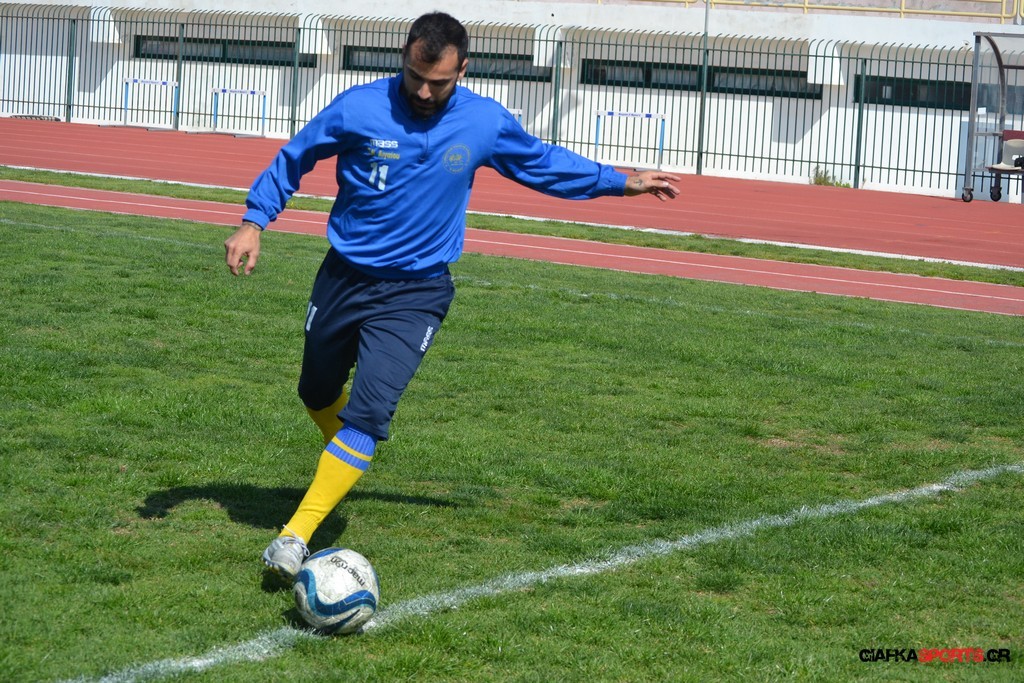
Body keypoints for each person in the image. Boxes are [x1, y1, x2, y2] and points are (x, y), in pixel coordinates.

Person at [224, 11, 680, 582]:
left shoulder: (483, 121)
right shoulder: (358, 108)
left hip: (417, 291)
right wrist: (254, 221)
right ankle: (345, 460)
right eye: (415, 76)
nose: (423, 91)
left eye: (438, 82)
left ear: (463, 69)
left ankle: (295, 535)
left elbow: (540, 163)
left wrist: (619, 181)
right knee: (315, 390)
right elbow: (294, 157)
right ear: (403, 58)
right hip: (344, 277)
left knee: (370, 411)